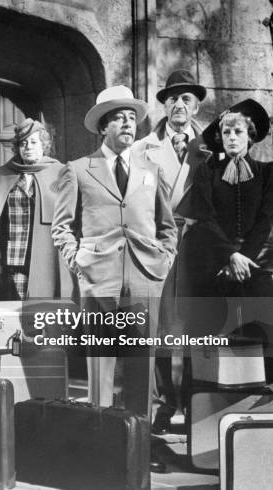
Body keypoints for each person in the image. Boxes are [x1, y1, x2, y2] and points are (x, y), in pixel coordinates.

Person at [51, 85, 177, 476]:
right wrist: (79, 262)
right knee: (101, 368)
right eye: (119, 117)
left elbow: (167, 226)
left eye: (132, 118)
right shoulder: (77, 169)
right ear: (103, 126)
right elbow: (62, 228)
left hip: (143, 280)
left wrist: (164, 261)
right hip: (99, 281)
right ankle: (99, 448)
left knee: (141, 372)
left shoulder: (149, 172)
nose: (128, 124)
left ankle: (137, 452)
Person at [133, 69, 207, 435]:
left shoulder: (212, 146)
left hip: (197, 249)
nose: (179, 105)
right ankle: (164, 406)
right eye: (173, 98)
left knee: (196, 330)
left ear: (196, 107)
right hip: (157, 246)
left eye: (187, 99)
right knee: (160, 332)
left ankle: (196, 406)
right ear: (164, 104)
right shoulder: (141, 148)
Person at [0, 118, 73, 300]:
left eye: (34, 142)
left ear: (44, 145)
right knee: (17, 317)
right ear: (17, 147)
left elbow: (70, 219)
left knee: (47, 316)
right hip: (14, 260)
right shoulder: (4, 174)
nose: (28, 147)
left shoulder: (61, 172)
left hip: (49, 259)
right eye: (23, 143)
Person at [181, 99, 273, 301]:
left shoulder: (267, 173)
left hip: (255, 264)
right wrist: (230, 256)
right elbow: (205, 219)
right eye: (226, 133)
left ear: (250, 136)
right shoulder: (207, 172)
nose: (232, 138)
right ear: (220, 138)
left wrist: (243, 260)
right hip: (214, 263)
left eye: (238, 132)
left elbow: (266, 220)